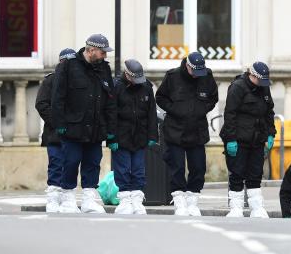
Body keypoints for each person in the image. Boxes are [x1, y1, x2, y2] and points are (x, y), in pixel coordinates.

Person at [50, 34, 117, 214]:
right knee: (70, 162)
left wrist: (111, 128)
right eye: (102, 52)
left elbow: (110, 101)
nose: (105, 56)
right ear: (91, 50)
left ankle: (88, 200)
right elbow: (57, 97)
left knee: (93, 163)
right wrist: (60, 123)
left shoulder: (103, 69)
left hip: (96, 128)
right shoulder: (68, 66)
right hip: (72, 127)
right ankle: (68, 200)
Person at [155, 52, 218, 216]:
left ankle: (192, 201)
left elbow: (213, 97)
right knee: (177, 168)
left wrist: (202, 109)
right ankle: (179, 201)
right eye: (194, 71)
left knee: (198, 167)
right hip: (175, 130)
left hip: (197, 129)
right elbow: (160, 97)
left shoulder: (207, 76)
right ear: (187, 65)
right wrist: (175, 109)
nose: (197, 75)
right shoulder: (172, 76)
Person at [221, 61, 276, 218]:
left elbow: (269, 112)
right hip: (238, 139)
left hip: (257, 139)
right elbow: (229, 114)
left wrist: (271, 134)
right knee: (237, 174)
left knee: (255, 174)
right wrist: (231, 139)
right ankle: (236, 208)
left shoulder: (263, 87)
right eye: (260, 80)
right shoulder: (237, 87)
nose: (262, 84)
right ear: (252, 75)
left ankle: (256, 208)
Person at [110, 59, 158, 215]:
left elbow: (151, 113)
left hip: (140, 136)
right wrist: (112, 138)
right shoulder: (116, 87)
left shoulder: (146, 87)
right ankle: (125, 200)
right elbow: (110, 114)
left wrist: (152, 135)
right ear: (127, 74)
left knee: (138, 170)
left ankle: (137, 201)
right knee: (122, 170)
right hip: (121, 137)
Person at [35, 48, 76, 213]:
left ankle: (67, 198)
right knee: (56, 165)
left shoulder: (78, 82)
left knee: (71, 165)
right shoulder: (50, 81)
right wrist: (57, 122)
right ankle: (53, 198)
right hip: (55, 134)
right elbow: (41, 104)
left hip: (73, 134)